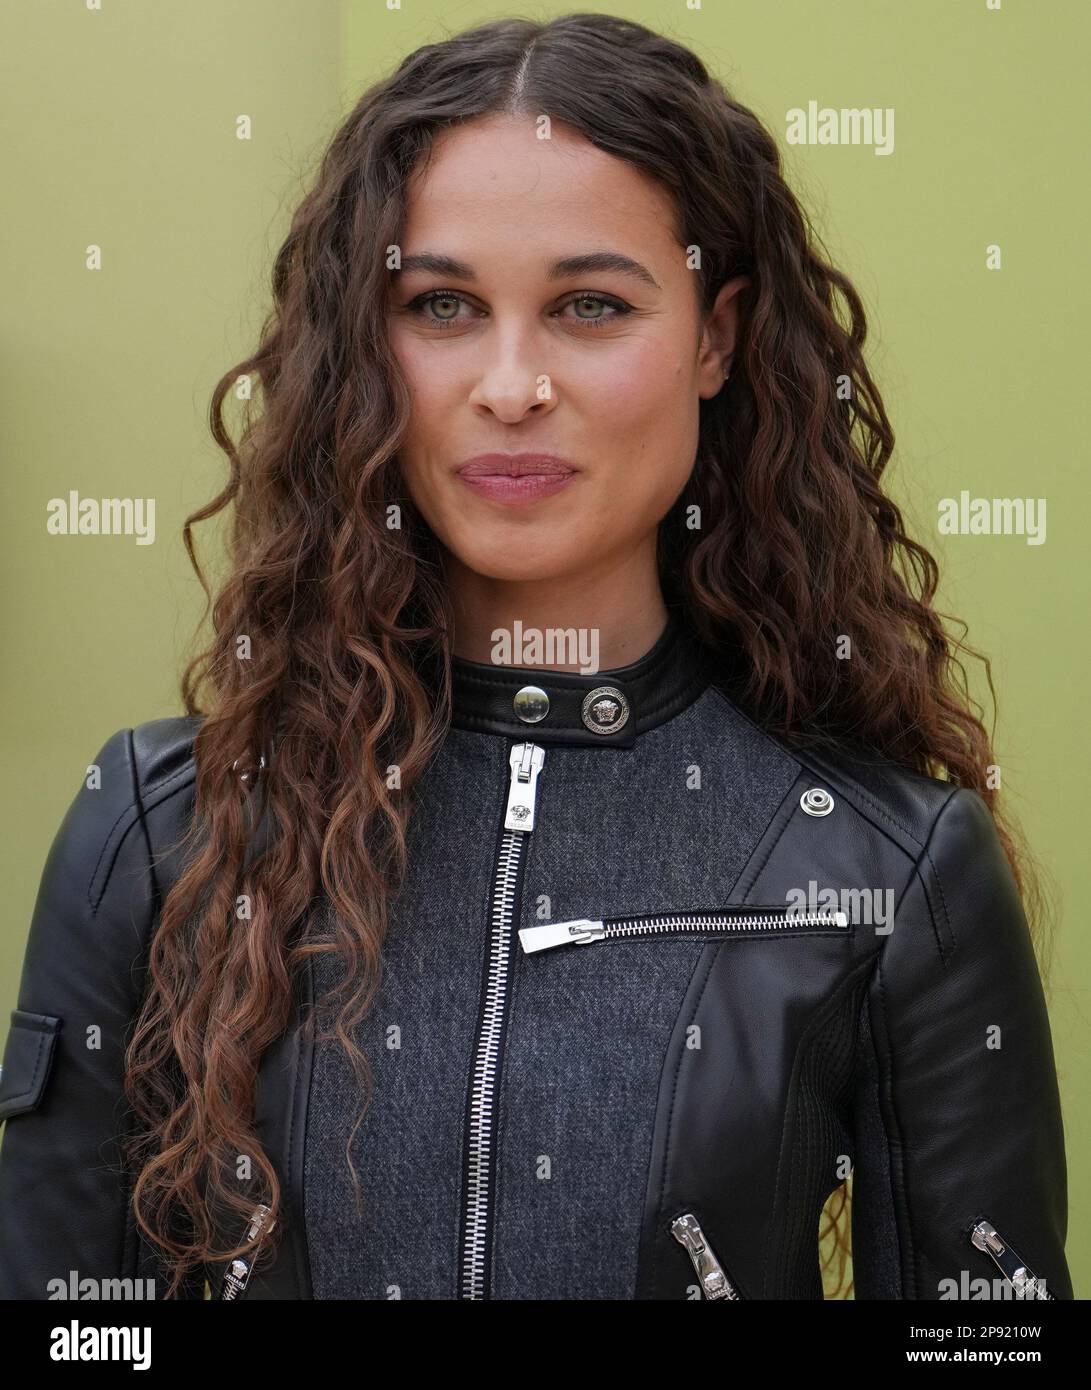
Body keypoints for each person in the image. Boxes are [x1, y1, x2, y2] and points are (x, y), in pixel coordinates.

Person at [0, 13, 1071, 1301]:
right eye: (441, 305)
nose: (511, 385)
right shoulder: (162, 835)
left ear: (716, 338)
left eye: (590, 306)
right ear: (363, 343)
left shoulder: (886, 867)